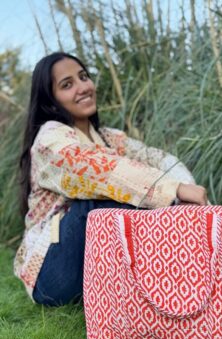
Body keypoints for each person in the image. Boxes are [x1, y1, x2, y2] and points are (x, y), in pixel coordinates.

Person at [14, 52, 208, 307]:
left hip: (88, 267)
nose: (82, 87)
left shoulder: (109, 137)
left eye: (83, 77)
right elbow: (100, 170)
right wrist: (173, 190)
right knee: (95, 206)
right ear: (51, 101)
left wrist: (184, 191)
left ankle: (182, 281)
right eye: (67, 85)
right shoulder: (50, 140)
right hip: (51, 274)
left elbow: (160, 158)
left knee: (139, 200)